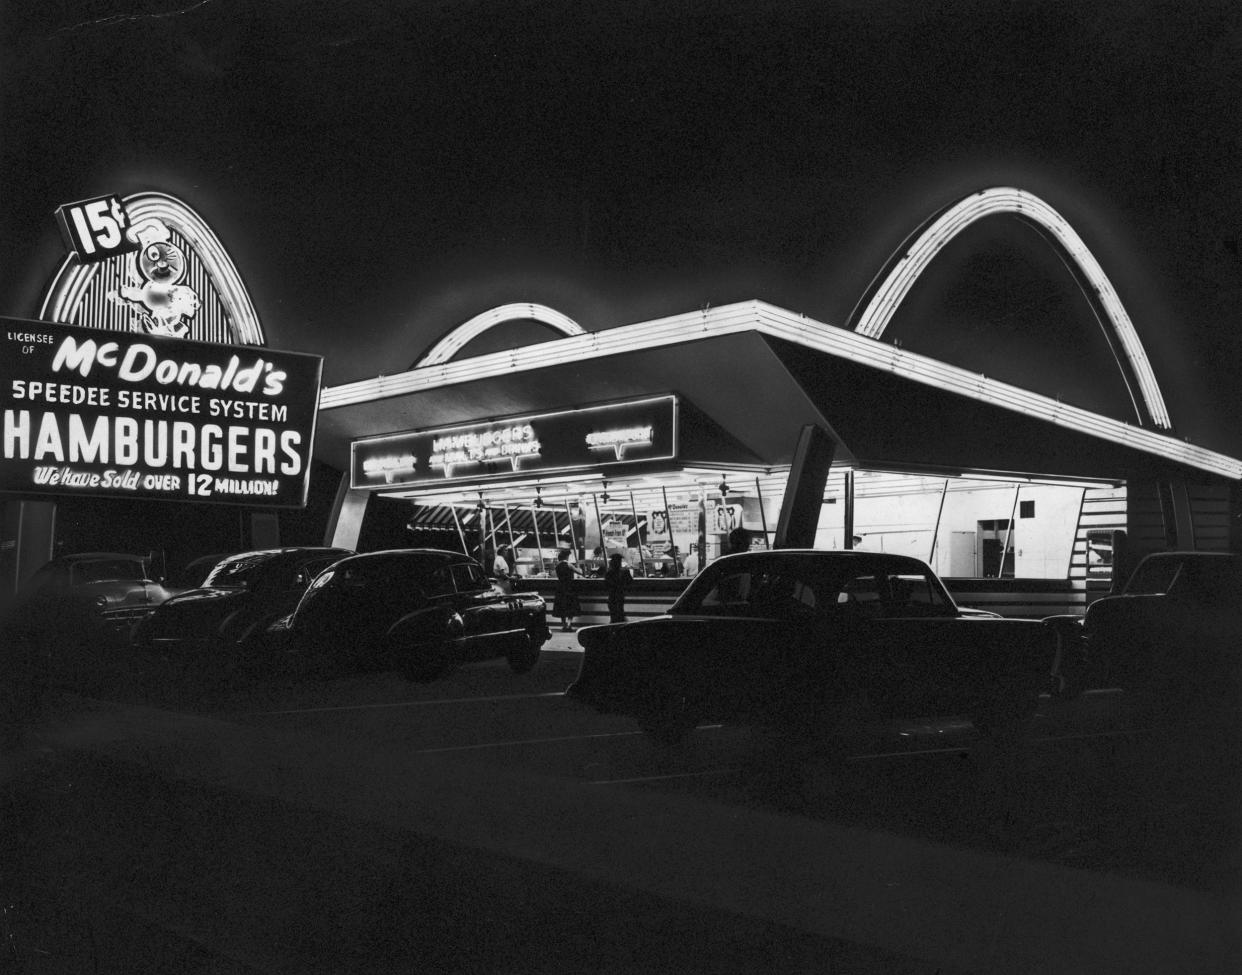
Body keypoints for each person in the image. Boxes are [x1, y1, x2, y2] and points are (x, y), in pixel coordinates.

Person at [552, 549, 582, 632]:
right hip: (569, 587)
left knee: (562, 607)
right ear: (567, 556)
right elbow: (580, 572)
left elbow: (555, 575)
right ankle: (569, 625)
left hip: (560, 588)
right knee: (570, 607)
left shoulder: (557, 566)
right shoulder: (569, 565)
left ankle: (564, 625)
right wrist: (579, 567)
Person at [604, 553, 633, 623]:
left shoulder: (609, 573)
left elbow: (606, 585)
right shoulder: (625, 572)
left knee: (614, 615)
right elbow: (630, 582)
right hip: (620, 595)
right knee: (620, 612)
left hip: (612, 596)